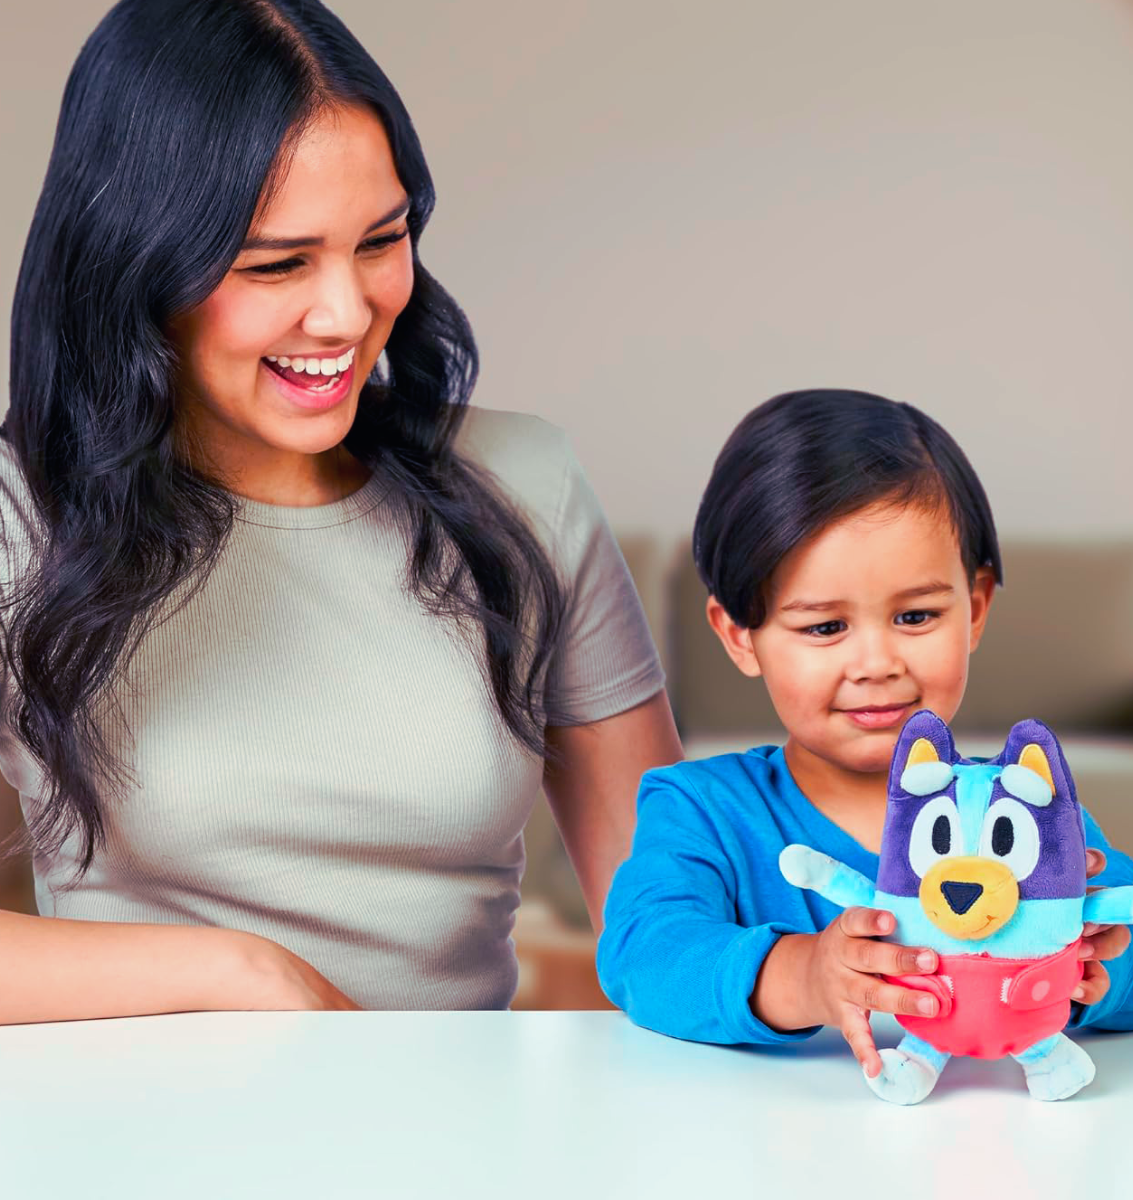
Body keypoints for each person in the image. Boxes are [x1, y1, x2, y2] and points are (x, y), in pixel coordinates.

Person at [0, 0, 682, 1023]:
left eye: (381, 240)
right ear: (136, 265)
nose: (348, 313)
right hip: (151, 1121)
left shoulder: (525, 483)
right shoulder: (20, 514)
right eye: (278, 263)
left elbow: (673, 922)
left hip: (456, 1120)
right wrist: (244, 975)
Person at [596, 389, 1133, 1076]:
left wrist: (1096, 961)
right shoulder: (701, 807)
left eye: (915, 617)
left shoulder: (1022, 807)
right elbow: (643, 954)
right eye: (825, 627)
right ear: (740, 636)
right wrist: (803, 976)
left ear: (974, 610)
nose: (877, 664)